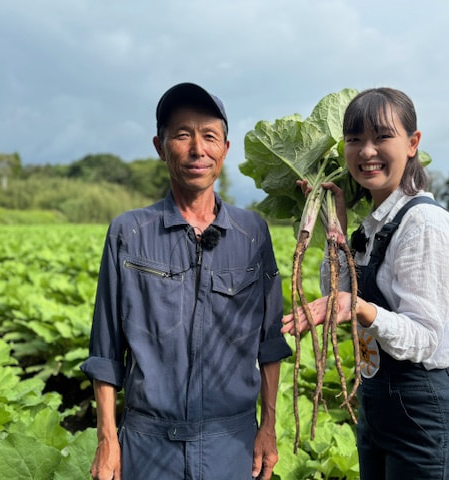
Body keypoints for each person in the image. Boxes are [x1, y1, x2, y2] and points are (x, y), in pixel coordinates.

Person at [81, 82, 292, 480]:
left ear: (225, 149)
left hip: (232, 442)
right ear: (160, 147)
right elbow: (105, 349)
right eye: (182, 135)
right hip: (148, 443)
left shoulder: (252, 233)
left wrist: (268, 426)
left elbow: (269, 343)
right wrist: (107, 439)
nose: (198, 149)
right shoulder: (129, 232)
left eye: (209, 136)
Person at [281, 87, 449, 479]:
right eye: (354, 139)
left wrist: (360, 308)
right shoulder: (373, 226)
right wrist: (335, 228)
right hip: (379, 405)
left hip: (431, 415)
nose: (366, 151)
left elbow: (424, 337)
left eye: (382, 137)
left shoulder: (423, 224)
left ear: (412, 143)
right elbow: (338, 296)